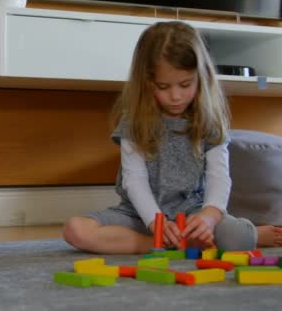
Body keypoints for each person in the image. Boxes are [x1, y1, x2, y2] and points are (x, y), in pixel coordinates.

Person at [63, 21, 282, 254]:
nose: (176, 96)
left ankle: (252, 234)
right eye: (164, 86)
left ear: (201, 78)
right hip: (141, 216)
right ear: (147, 83)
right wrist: (155, 222)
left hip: (193, 216)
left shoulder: (209, 121)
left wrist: (208, 217)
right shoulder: (134, 123)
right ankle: (170, 245)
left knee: (235, 238)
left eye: (185, 84)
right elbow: (134, 180)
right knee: (76, 230)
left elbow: (219, 177)